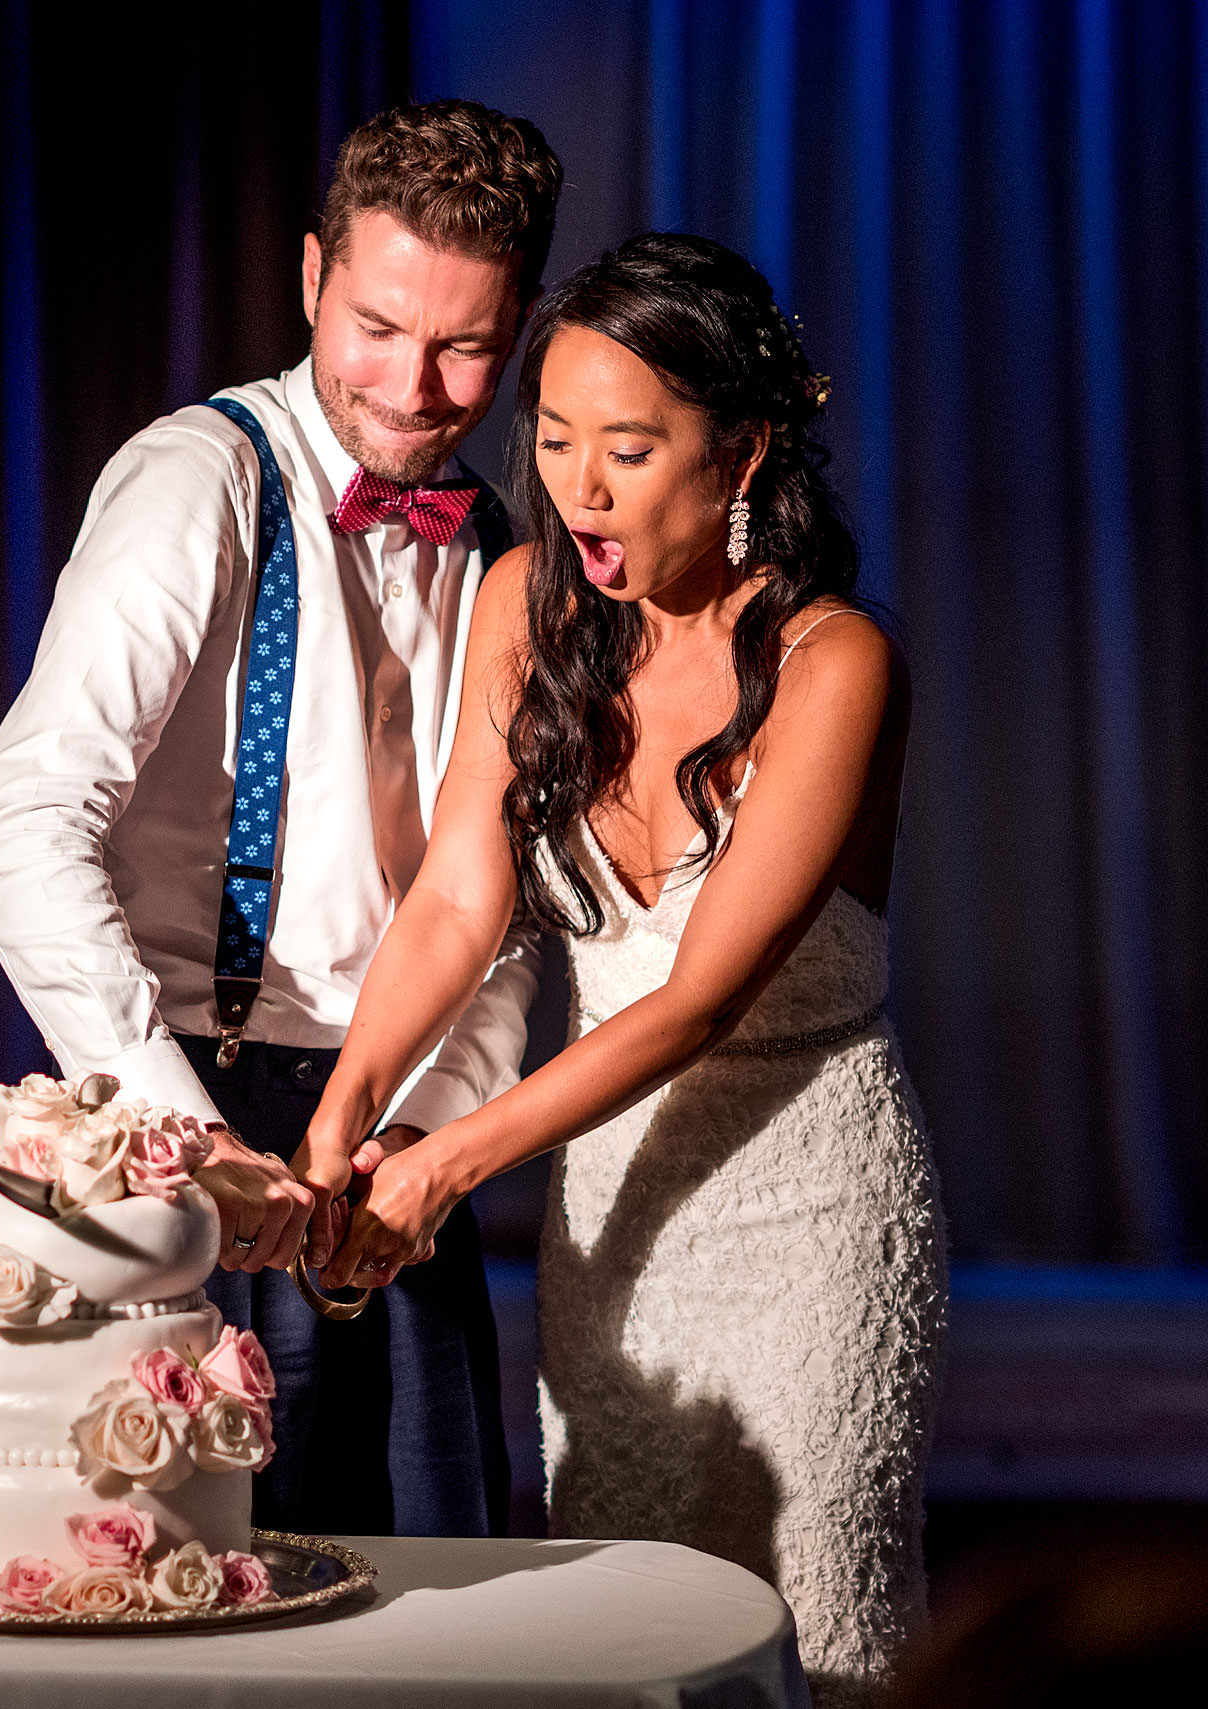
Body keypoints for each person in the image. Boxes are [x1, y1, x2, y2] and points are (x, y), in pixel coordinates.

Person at [297, 232, 947, 1704]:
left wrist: (449, 1158)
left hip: (813, 1202)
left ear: (742, 452)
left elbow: (700, 994)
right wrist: (345, 1114)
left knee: (818, 1612)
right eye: (555, 435)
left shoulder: (837, 659)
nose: (579, 485)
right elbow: (461, 895)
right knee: (633, 1618)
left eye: (632, 448)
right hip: (613, 1219)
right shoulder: (530, 598)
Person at [0, 100, 561, 1538]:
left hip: (396, 1150)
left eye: (466, 345)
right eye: (376, 326)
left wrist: (424, 1136)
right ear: (310, 278)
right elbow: (29, 826)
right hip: (194, 1102)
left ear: (525, 327)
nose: (414, 388)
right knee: (214, 1594)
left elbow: (500, 904)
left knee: (433, 1608)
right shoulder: (202, 481)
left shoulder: (509, 553)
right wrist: (185, 1132)